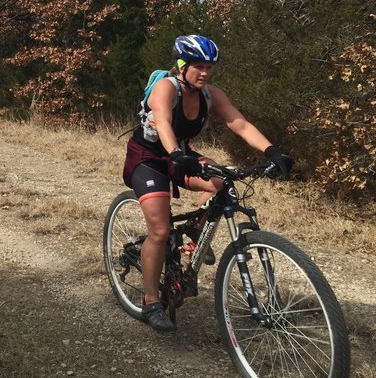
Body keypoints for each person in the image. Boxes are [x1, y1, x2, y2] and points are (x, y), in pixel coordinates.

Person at [122, 34, 293, 334]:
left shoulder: (210, 94)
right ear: (181, 65)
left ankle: (191, 235)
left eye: (209, 67)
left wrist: (272, 151)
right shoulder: (166, 88)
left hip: (180, 154)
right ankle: (150, 302)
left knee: (221, 183)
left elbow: (238, 123)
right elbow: (162, 120)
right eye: (198, 66)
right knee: (160, 230)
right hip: (148, 157)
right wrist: (176, 154)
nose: (205, 72)